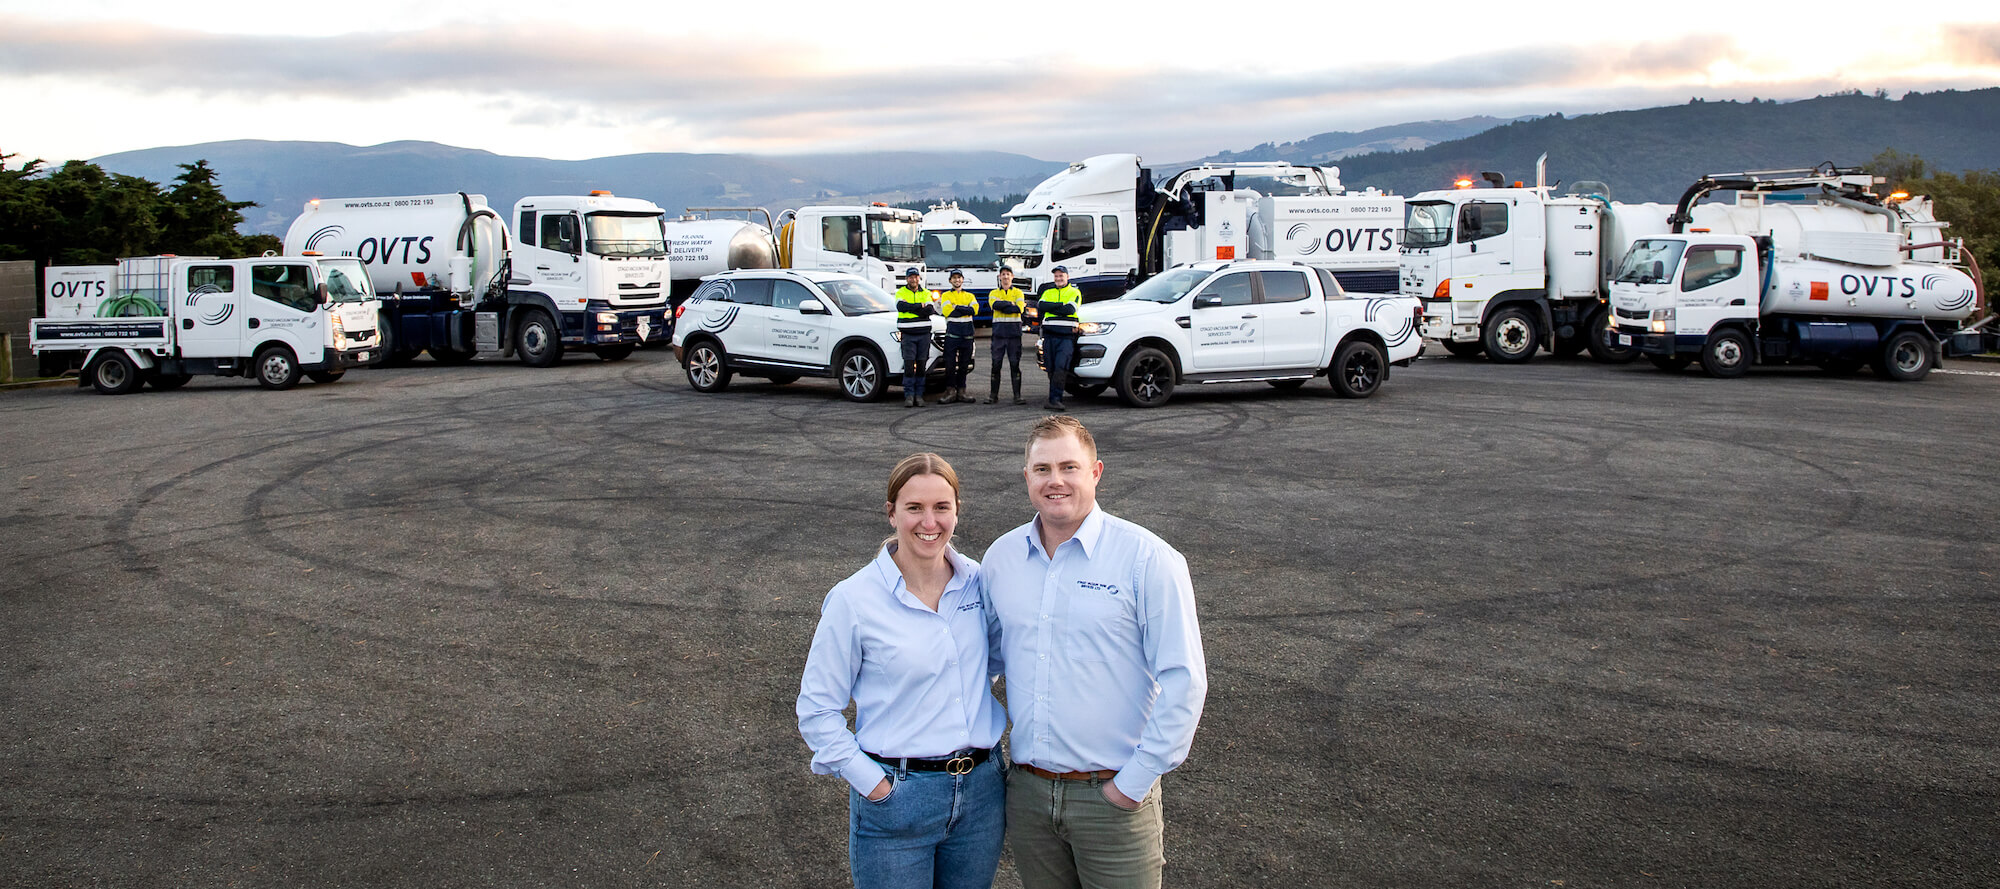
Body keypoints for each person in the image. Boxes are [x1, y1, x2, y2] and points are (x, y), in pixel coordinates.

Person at [979, 417, 1208, 889]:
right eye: (1042, 469)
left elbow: (1185, 679)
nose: (1055, 480)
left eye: (1069, 466)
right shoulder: (1001, 559)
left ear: (1096, 472)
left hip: (1112, 796)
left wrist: (1134, 783)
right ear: (1026, 477)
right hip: (1029, 795)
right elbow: (985, 661)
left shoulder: (1148, 559)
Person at [797, 453, 1007, 889]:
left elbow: (994, 661)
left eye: (941, 507)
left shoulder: (980, 583)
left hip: (982, 795)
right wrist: (875, 786)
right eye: (914, 508)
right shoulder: (853, 600)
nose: (929, 522)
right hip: (897, 798)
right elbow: (817, 711)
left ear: (957, 511)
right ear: (891, 512)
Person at [1035, 266, 1083, 412]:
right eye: (1056, 276)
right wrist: (1060, 306)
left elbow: (1070, 309)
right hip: (1049, 335)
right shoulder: (1048, 292)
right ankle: (1053, 397)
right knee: (1050, 367)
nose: (1058, 279)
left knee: (1060, 367)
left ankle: (1055, 399)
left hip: (1066, 337)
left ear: (1067, 277)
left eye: (1061, 276)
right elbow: (1041, 306)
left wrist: (1052, 307)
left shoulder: (1074, 292)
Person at [894, 268, 939, 408]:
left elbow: (930, 309)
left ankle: (919, 395)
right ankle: (908, 395)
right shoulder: (901, 292)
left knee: (921, 365)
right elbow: (901, 306)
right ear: (907, 279)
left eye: (915, 277)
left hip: (923, 334)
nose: (913, 280)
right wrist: (920, 306)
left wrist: (912, 307)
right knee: (908, 365)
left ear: (919, 278)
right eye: (910, 277)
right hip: (908, 335)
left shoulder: (926, 292)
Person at [984, 268, 1027, 405]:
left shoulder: (1018, 292)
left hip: (1014, 335)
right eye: (1003, 274)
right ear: (999, 277)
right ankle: (993, 395)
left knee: (1015, 365)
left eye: (1008, 274)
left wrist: (1004, 305)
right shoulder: (993, 293)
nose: (1006, 277)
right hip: (999, 335)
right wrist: (1010, 304)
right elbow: (994, 305)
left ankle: (1017, 396)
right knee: (996, 365)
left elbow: (1019, 308)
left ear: (1012, 277)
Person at [936, 270, 979, 404]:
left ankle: (962, 391)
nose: (957, 280)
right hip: (952, 335)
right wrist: (964, 309)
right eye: (954, 278)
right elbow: (948, 312)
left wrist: (957, 307)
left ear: (962, 279)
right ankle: (950, 391)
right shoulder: (946, 295)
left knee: (964, 365)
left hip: (967, 335)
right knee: (950, 364)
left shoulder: (970, 296)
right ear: (950, 280)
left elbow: (974, 310)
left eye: (959, 278)